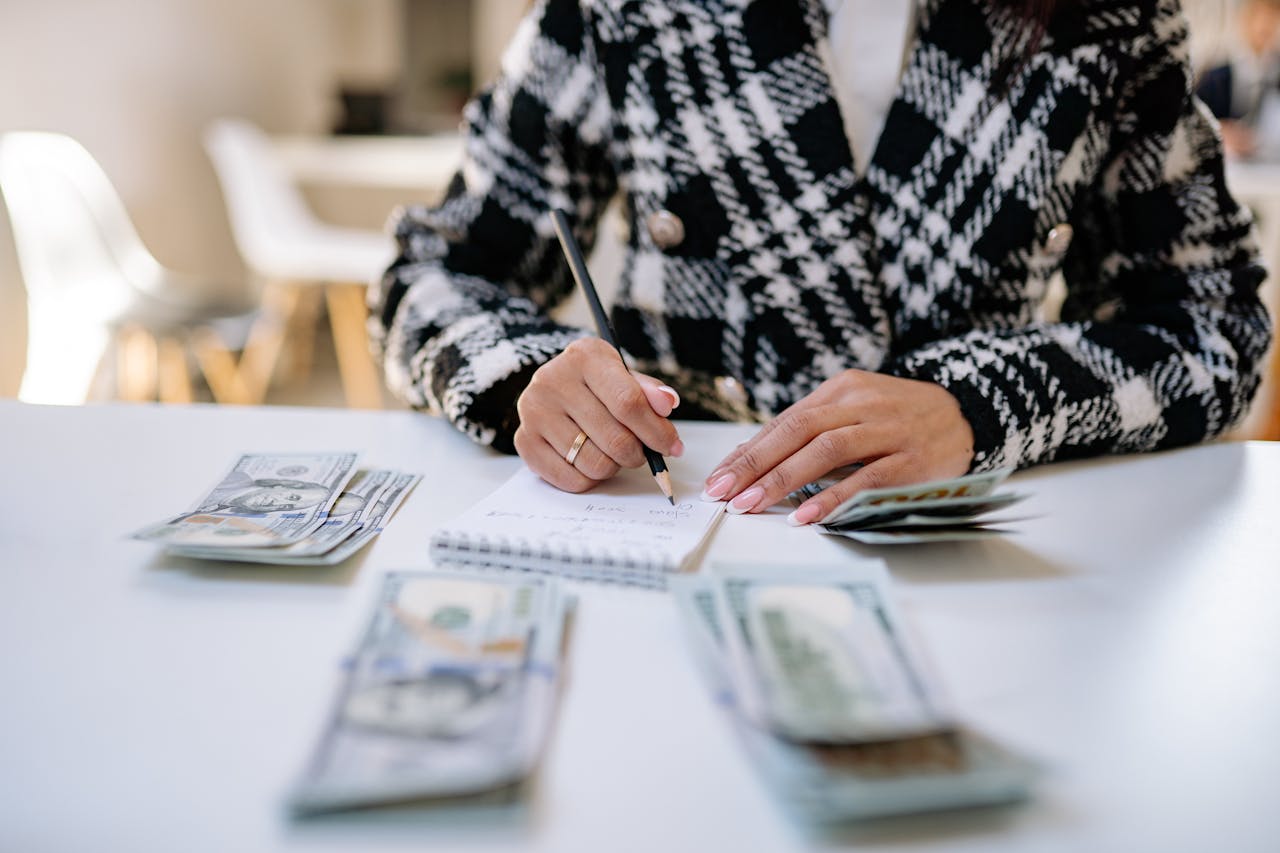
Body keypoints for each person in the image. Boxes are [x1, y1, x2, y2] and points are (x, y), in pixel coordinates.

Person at [370, 0, 1271, 526]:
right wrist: (533, 381)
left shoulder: (1105, 18)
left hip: (971, 538)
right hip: (673, 512)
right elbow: (434, 269)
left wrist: (979, 405)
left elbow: (1211, 329)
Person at [1196, 0, 1280, 158]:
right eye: (1260, 19)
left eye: (1273, 20)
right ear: (1246, 21)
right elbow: (1194, 121)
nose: (1266, 26)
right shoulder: (1215, 74)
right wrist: (1220, 130)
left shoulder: (1275, 73)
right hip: (1227, 160)